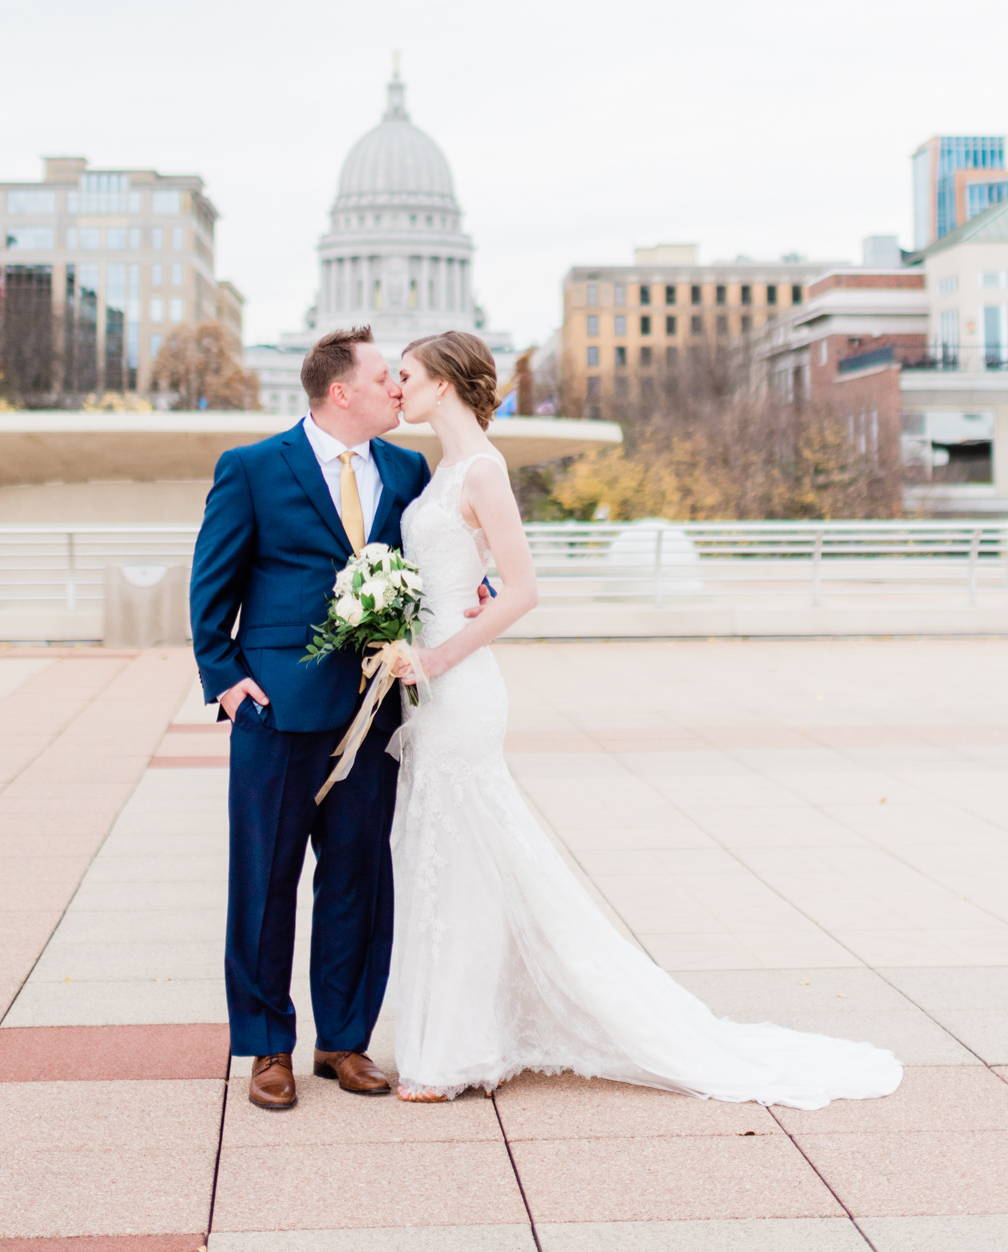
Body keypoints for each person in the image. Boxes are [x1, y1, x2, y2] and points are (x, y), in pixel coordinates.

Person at [388, 328, 904, 1110]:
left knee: (465, 861)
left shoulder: (485, 469)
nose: (398, 389)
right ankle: (455, 1036)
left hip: (458, 687)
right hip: (426, 680)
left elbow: (523, 590)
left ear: (446, 386)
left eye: (406, 376)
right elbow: (468, 575)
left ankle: (457, 1050)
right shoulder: (439, 470)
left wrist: (438, 655)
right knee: (446, 859)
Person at [189, 325, 432, 1112]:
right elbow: (211, 584)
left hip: (372, 710)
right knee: (264, 882)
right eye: (385, 377)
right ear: (341, 391)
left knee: (360, 876)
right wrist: (226, 680)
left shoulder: (406, 469)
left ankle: (345, 1040)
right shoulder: (253, 468)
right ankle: (266, 1046)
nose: (399, 388)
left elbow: (427, 567)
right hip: (277, 712)